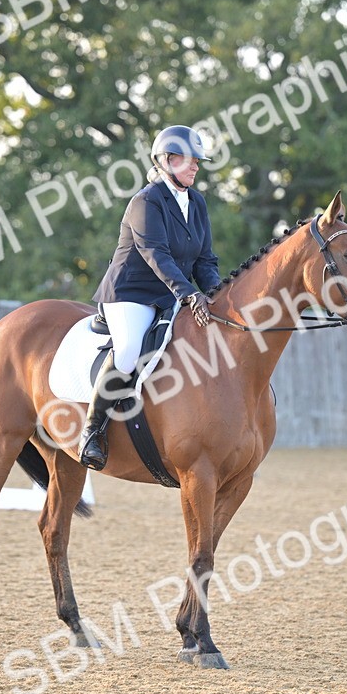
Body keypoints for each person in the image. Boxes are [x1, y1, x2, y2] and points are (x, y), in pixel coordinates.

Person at [78, 125, 221, 470]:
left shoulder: (196, 203)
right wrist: (189, 295)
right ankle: (92, 431)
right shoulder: (146, 201)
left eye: (198, 162)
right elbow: (156, 254)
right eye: (189, 161)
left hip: (169, 294)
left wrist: (217, 294)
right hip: (131, 292)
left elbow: (205, 260)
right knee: (128, 350)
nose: (196, 167)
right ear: (167, 160)